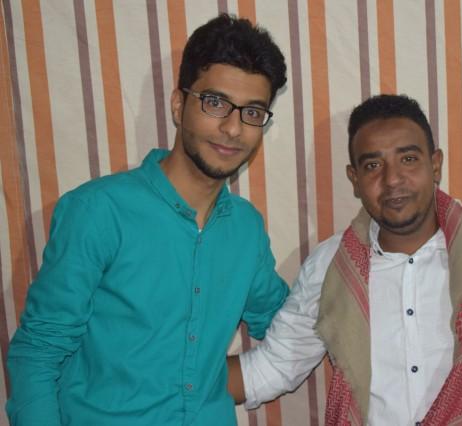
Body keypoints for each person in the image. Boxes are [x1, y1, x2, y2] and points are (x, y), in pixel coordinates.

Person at [228, 95, 462, 425]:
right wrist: (190, 370)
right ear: (355, 179)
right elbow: (274, 367)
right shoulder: (329, 269)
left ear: (435, 164)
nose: (393, 179)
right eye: (373, 165)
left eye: (408, 159)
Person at [7, 13, 289, 426]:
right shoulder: (98, 211)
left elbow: (288, 321)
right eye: (215, 103)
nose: (233, 128)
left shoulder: (246, 228)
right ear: (179, 104)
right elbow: (38, 352)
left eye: (252, 112)